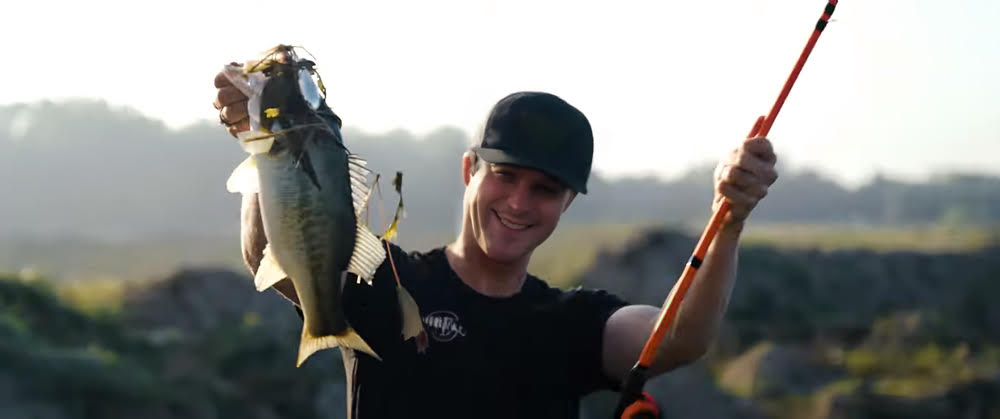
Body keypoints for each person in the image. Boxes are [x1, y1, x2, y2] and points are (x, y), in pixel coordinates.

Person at [214, 72, 778, 418]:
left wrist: (729, 220)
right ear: (469, 171)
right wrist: (264, 141)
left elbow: (680, 338)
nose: (518, 203)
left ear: (566, 205)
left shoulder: (572, 324)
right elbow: (272, 253)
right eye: (504, 176)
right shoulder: (388, 286)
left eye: (544, 189)